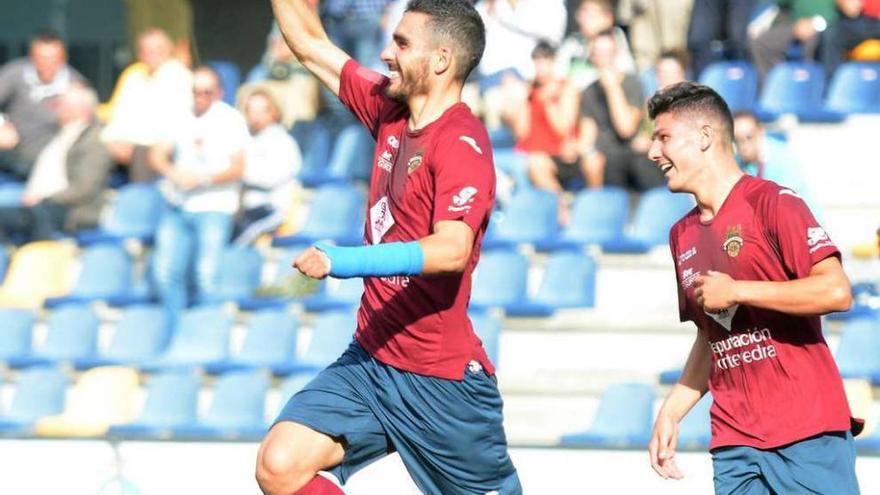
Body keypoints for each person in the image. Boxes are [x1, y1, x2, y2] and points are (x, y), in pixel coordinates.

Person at [257, 1, 521, 494]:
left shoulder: (463, 143)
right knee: (280, 464)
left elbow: (452, 250)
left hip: (441, 383)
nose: (385, 53)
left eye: (401, 44)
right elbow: (311, 45)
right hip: (371, 361)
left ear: (441, 59)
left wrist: (347, 260)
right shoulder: (389, 107)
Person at [645, 81, 862, 494]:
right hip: (734, 441)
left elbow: (836, 291)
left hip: (806, 432)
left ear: (705, 137)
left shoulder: (775, 203)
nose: (654, 152)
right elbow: (713, 334)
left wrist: (741, 290)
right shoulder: (681, 235)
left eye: (664, 137)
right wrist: (672, 411)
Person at [148, 66, 248, 316]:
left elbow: (238, 168)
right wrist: (174, 173)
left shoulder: (231, 119)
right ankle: (174, 333)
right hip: (179, 204)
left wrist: (203, 179)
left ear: (219, 93)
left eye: (207, 92)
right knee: (163, 273)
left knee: (206, 276)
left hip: (215, 206)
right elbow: (157, 155)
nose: (200, 97)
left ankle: (205, 334)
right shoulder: (180, 116)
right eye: (196, 92)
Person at [0, 84, 113, 243]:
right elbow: (26, 162)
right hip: (38, 205)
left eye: (62, 104)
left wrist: (45, 198)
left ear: (80, 110)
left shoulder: (93, 143)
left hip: (68, 210)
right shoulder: (58, 135)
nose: (55, 108)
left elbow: (83, 189)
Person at [100, 28, 193, 182]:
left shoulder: (181, 78)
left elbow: (176, 124)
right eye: (147, 50)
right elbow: (119, 114)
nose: (152, 54)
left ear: (169, 50)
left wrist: (132, 144)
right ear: (140, 53)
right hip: (125, 142)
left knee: (143, 153)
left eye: (158, 49)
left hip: (158, 145)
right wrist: (113, 139)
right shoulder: (134, 76)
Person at [578, 30, 663, 190]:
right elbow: (587, 134)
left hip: (631, 151)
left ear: (616, 54)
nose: (603, 60)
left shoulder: (632, 83)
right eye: (598, 54)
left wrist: (612, 88)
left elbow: (626, 129)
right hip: (605, 154)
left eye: (608, 53)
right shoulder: (588, 91)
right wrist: (587, 152)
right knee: (596, 162)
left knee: (638, 164)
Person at [0, 31, 86, 180]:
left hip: (56, 158)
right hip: (13, 153)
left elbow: (86, 126)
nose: (47, 63)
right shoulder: (14, 74)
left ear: (63, 58)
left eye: (53, 58)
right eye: (41, 58)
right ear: (32, 57)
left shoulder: (76, 84)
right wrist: (1, 124)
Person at [502, 40, 581, 194]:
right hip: (528, 151)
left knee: (536, 164)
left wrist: (549, 103)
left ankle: (563, 208)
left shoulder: (566, 88)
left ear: (553, 62)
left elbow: (563, 129)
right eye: (537, 63)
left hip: (556, 153)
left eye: (544, 62)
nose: (540, 69)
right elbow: (521, 132)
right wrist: (519, 101)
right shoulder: (529, 90)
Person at [234, 89, 301, 246]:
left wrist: (236, 171)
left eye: (261, 110)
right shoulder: (247, 139)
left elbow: (269, 178)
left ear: (275, 112)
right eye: (251, 110)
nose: (255, 116)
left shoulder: (284, 142)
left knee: (238, 243)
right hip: (247, 210)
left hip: (273, 210)